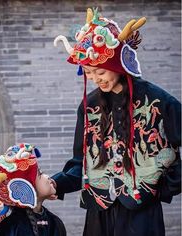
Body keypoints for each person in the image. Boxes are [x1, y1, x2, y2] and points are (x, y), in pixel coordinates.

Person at [52, 7, 181, 236]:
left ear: (117, 65)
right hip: (98, 212)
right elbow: (80, 162)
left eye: (99, 71)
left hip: (142, 212)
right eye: (88, 73)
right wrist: (55, 184)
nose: (94, 79)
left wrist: (164, 186)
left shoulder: (159, 101)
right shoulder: (88, 106)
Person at [0, 143, 66, 236]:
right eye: (40, 174)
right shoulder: (10, 229)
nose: (48, 176)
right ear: (26, 189)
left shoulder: (55, 222)